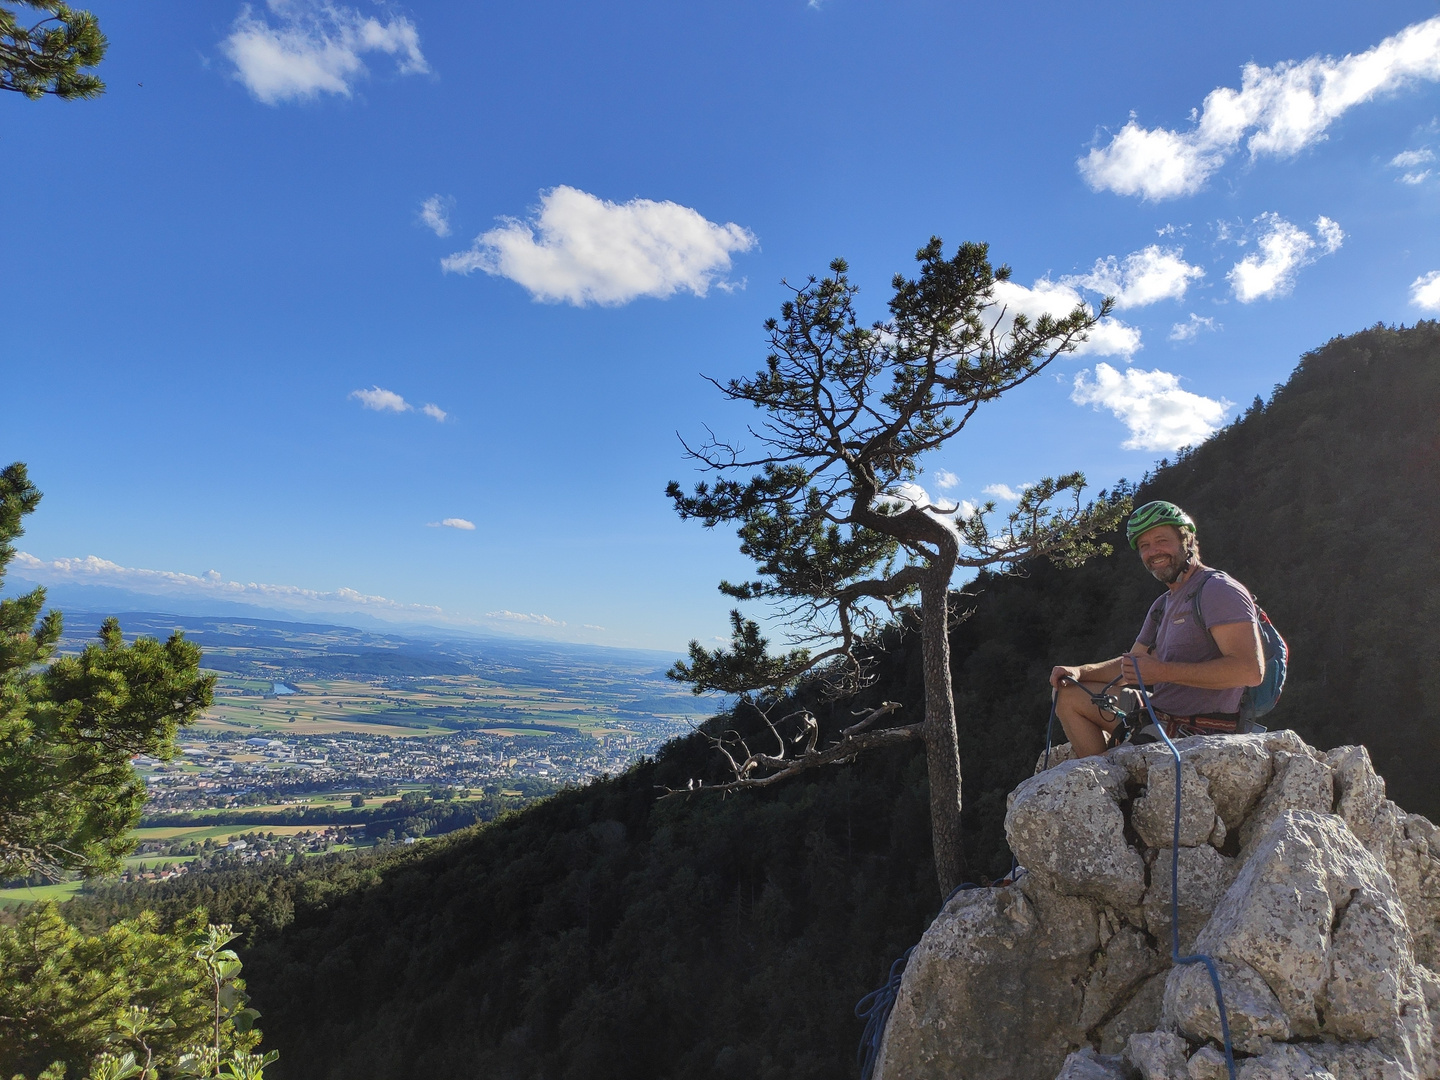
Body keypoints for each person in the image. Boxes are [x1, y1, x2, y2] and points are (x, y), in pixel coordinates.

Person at [1048, 500, 1265, 757]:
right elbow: (1132, 667)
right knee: (1067, 695)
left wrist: (1162, 671)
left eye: (1162, 541)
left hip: (1200, 729)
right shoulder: (1163, 605)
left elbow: (1250, 671)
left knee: (1117, 764)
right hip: (1158, 712)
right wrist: (1080, 672)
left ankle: (1107, 777)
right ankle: (1101, 778)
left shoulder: (1218, 590)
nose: (1153, 552)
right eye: (1144, 546)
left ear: (1187, 540)